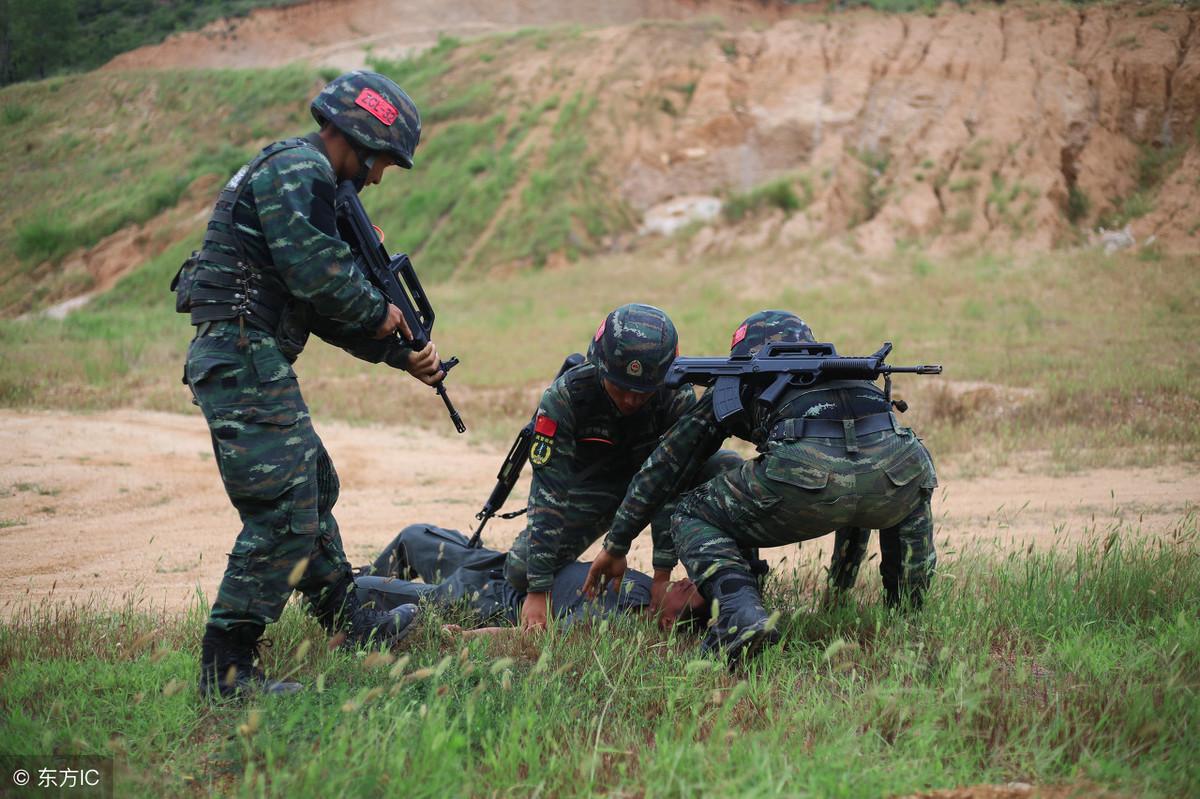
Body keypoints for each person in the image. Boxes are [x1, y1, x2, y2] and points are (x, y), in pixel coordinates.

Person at [178, 71, 439, 699]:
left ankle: (348, 621)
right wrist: (382, 314)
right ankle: (227, 669)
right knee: (284, 512)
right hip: (241, 352)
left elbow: (315, 305)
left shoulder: (305, 176)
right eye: (381, 163)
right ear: (357, 139)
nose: (378, 177)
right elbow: (317, 275)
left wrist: (394, 353)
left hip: (251, 353)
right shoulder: (301, 171)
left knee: (313, 485)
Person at [586, 311, 938, 664]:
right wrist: (839, 591)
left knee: (688, 513)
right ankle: (910, 617)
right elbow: (858, 482)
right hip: (901, 467)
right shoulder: (849, 374)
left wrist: (617, 542)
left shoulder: (739, 379)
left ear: (744, 352)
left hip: (803, 476)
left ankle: (741, 615)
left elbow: (667, 463)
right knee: (896, 486)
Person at [502, 303, 743, 630]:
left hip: (659, 487)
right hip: (598, 491)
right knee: (520, 569)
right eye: (621, 387)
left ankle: (739, 590)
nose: (631, 400)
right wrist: (538, 588)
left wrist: (662, 575)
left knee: (727, 465)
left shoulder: (675, 397)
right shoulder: (566, 398)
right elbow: (548, 495)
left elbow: (672, 480)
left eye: (643, 391)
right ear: (600, 368)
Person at [357, 524, 708, 634]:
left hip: (488, 598)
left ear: (666, 622)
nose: (688, 583)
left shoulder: (612, 625)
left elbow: (531, 637)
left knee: (358, 589)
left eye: (689, 595)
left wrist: (466, 637)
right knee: (414, 537)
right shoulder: (652, 590)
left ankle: (353, 620)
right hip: (510, 569)